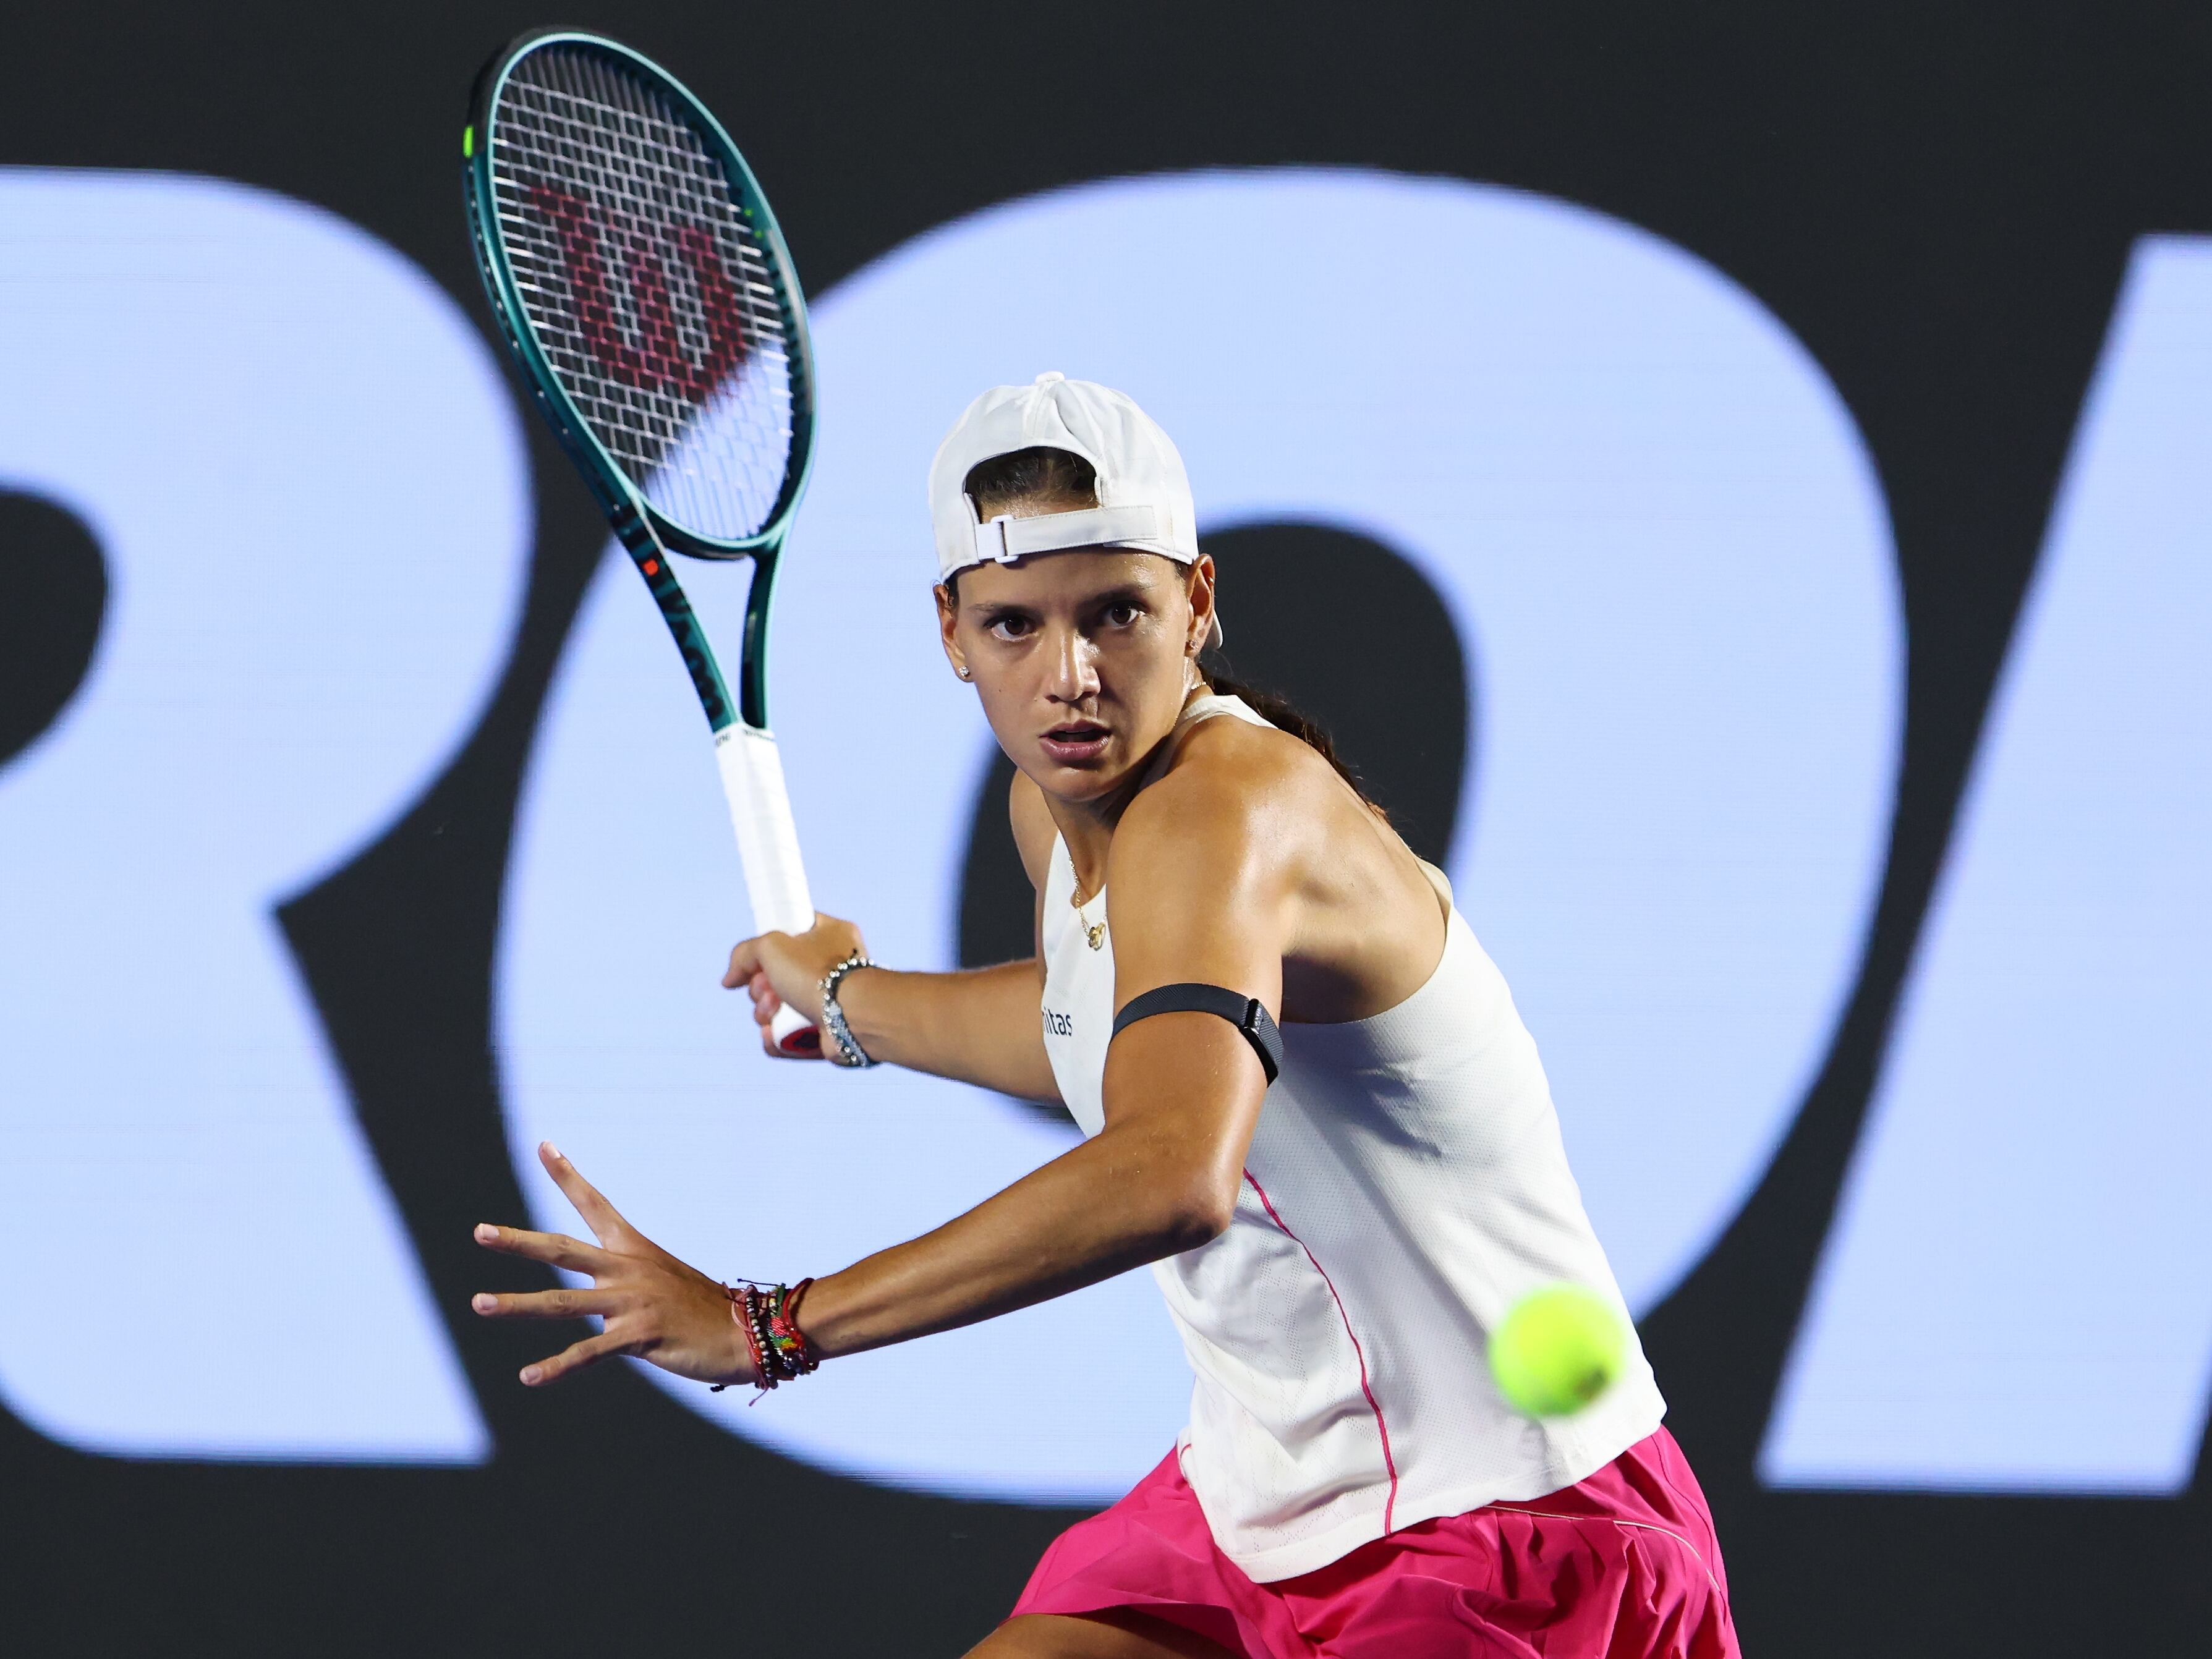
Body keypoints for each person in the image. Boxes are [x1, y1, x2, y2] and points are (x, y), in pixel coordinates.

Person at [472, 373, 1742, 1658]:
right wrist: (853, 1001)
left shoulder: (1224, 805)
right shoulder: (1060, 813)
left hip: (1502, 1533)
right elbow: (1099, 1020)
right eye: (1015, 625)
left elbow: (1171, 1169)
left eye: (1116, 614)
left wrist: (770, 1324)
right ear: (951, 632)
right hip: (1258, 1501)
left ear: (1195, 603)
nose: (1070, 676)